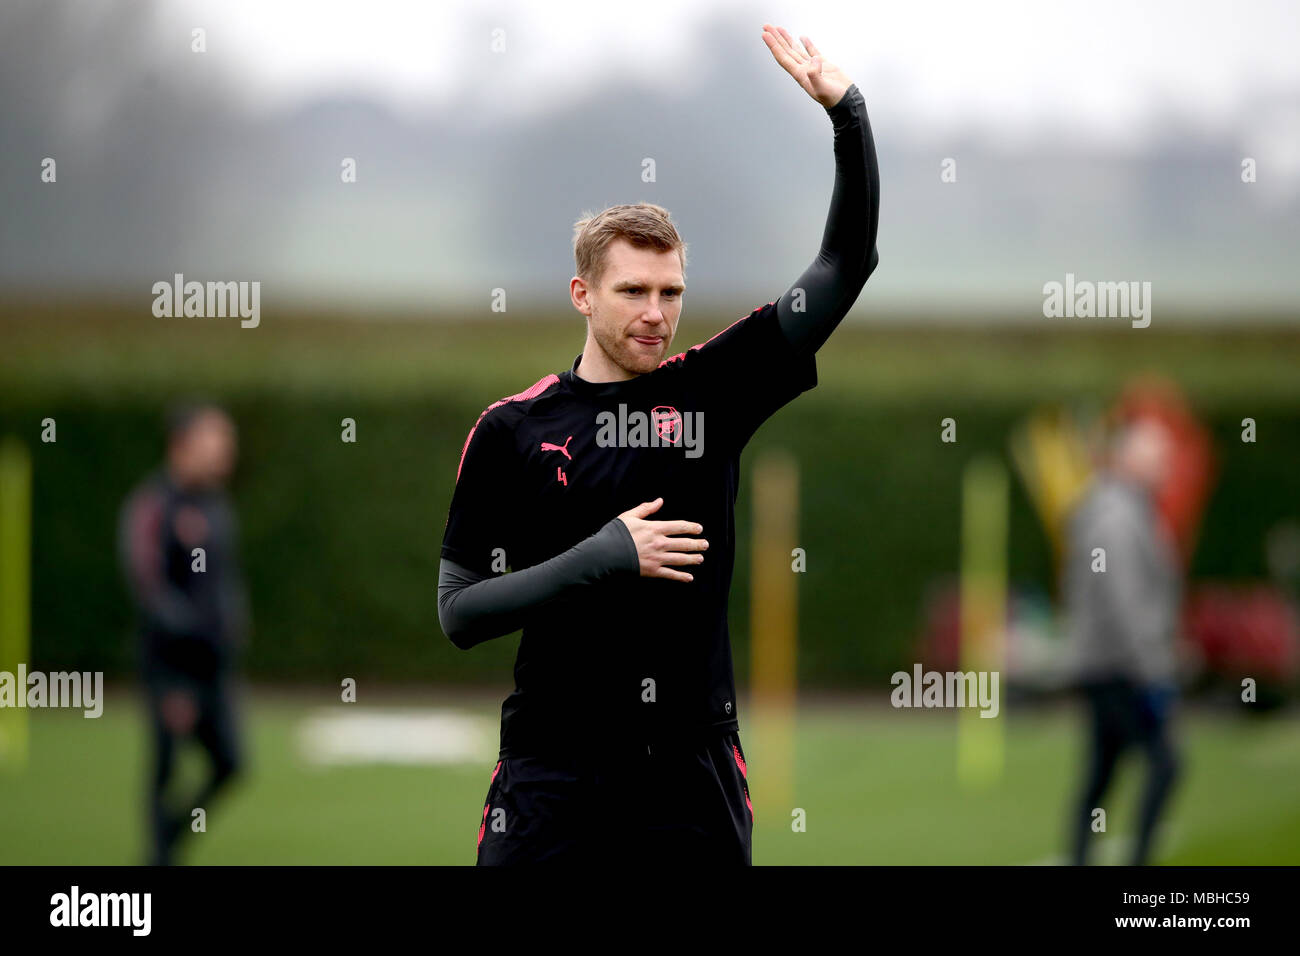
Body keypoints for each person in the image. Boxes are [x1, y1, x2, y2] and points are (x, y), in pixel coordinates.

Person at [438, 23, 880, 865]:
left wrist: (846, 113)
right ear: (583, 294)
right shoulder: (512, 430)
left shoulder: (712, 389)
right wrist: (603, 555)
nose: (656, 311)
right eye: (633, 290)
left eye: (671, 290)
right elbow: (460, 611)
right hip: (550, 770)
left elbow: (845, 262)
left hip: (689, 769)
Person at [118, 403, 249, 865]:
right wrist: (185, 646)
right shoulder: (155, 505)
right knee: (167, 767)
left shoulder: (215, 505)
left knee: (231, 763)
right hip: (172, 667)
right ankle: (158, 858)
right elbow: (151, 588)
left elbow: (221, 584)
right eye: (215, 441)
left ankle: (168, 841)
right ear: (182, 445)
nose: (223, 452)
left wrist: (232, 625)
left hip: (214, 666)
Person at [1064, 415, 1182, 865]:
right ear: (1129, 458)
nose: (1164, 468)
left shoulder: (1125, 508)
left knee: (1102, 773)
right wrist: (1153, 668)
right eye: (1157, 458)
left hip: (1109, 664)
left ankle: (1082, 856)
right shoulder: (1116, 515)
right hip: (1118, 668)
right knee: (1165, 764)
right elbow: (1124, 599)